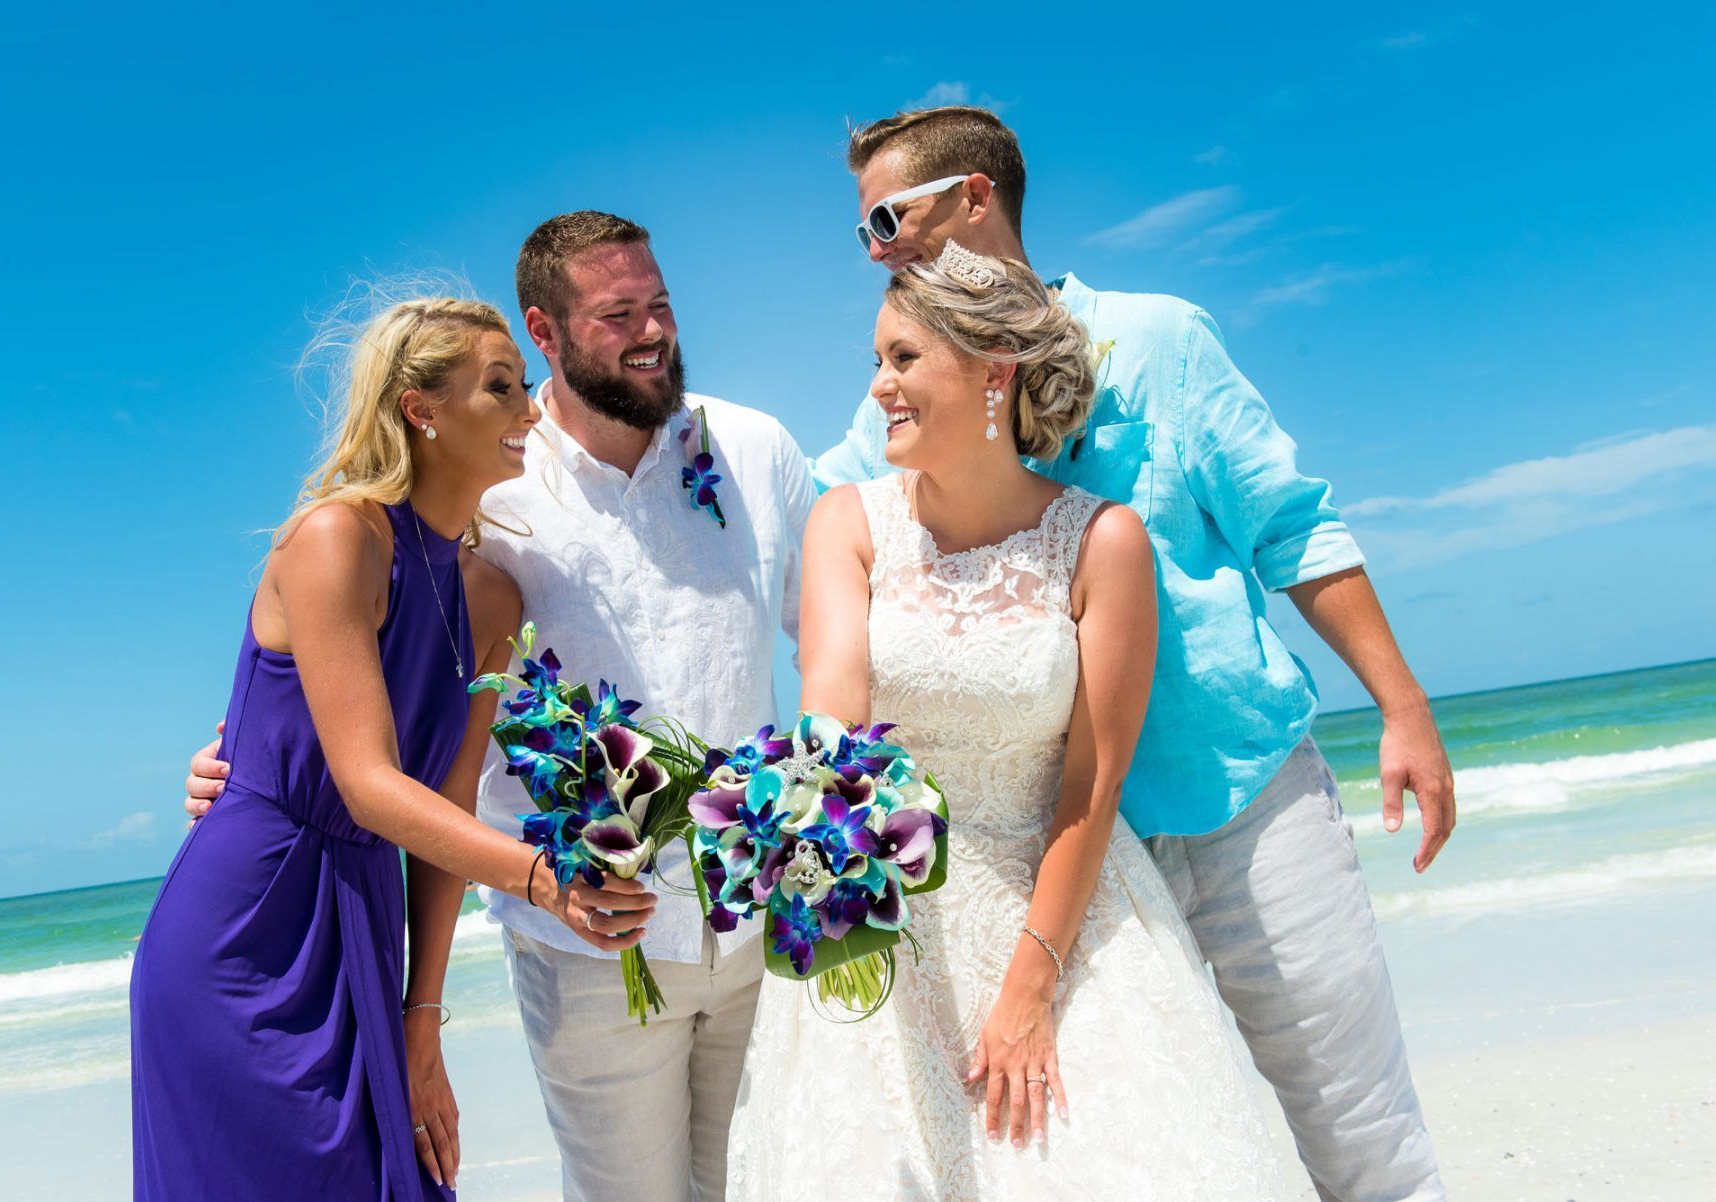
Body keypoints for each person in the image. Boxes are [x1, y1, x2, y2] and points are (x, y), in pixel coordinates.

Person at [815, 106, 1451, 1202]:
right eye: (862, 232)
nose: (874, 249)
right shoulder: (901, 392)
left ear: (977, 197)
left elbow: (1290, 523)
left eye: (887, 217)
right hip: (1059, 867)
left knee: (1361, 1142)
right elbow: (839, 536)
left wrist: (1402, 704)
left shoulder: (1158, 338)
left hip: (1238, 803)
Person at [186, 214, 815, 1202]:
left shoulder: (754, 448)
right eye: (618, 314)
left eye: (660, 304)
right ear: (546, 330)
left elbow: (832, 642)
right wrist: (251, 767)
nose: (652, 331)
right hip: (582, 948)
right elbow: (373, 726)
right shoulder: (496, 499)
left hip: (754, 923)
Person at [730, 245, 1288, 1199]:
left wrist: (1032, 984)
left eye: (904, 359)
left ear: (993, 368)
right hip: (885, 920)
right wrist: (792, 835)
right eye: (876, 361)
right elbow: (831, 726)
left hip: (1066, 914)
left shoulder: (1102, 539)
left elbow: (1094, 780)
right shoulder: (848, 523)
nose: (879, 388)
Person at [133, 295, 551, 1200]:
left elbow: (451, 809)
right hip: (242, 934)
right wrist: (543, 878)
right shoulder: (337, 538)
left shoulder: (493, 602)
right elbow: (367, 786)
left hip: (364, 915)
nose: (531, 409)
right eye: (502, 387)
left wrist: (423, 1015)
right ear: (421, 409)